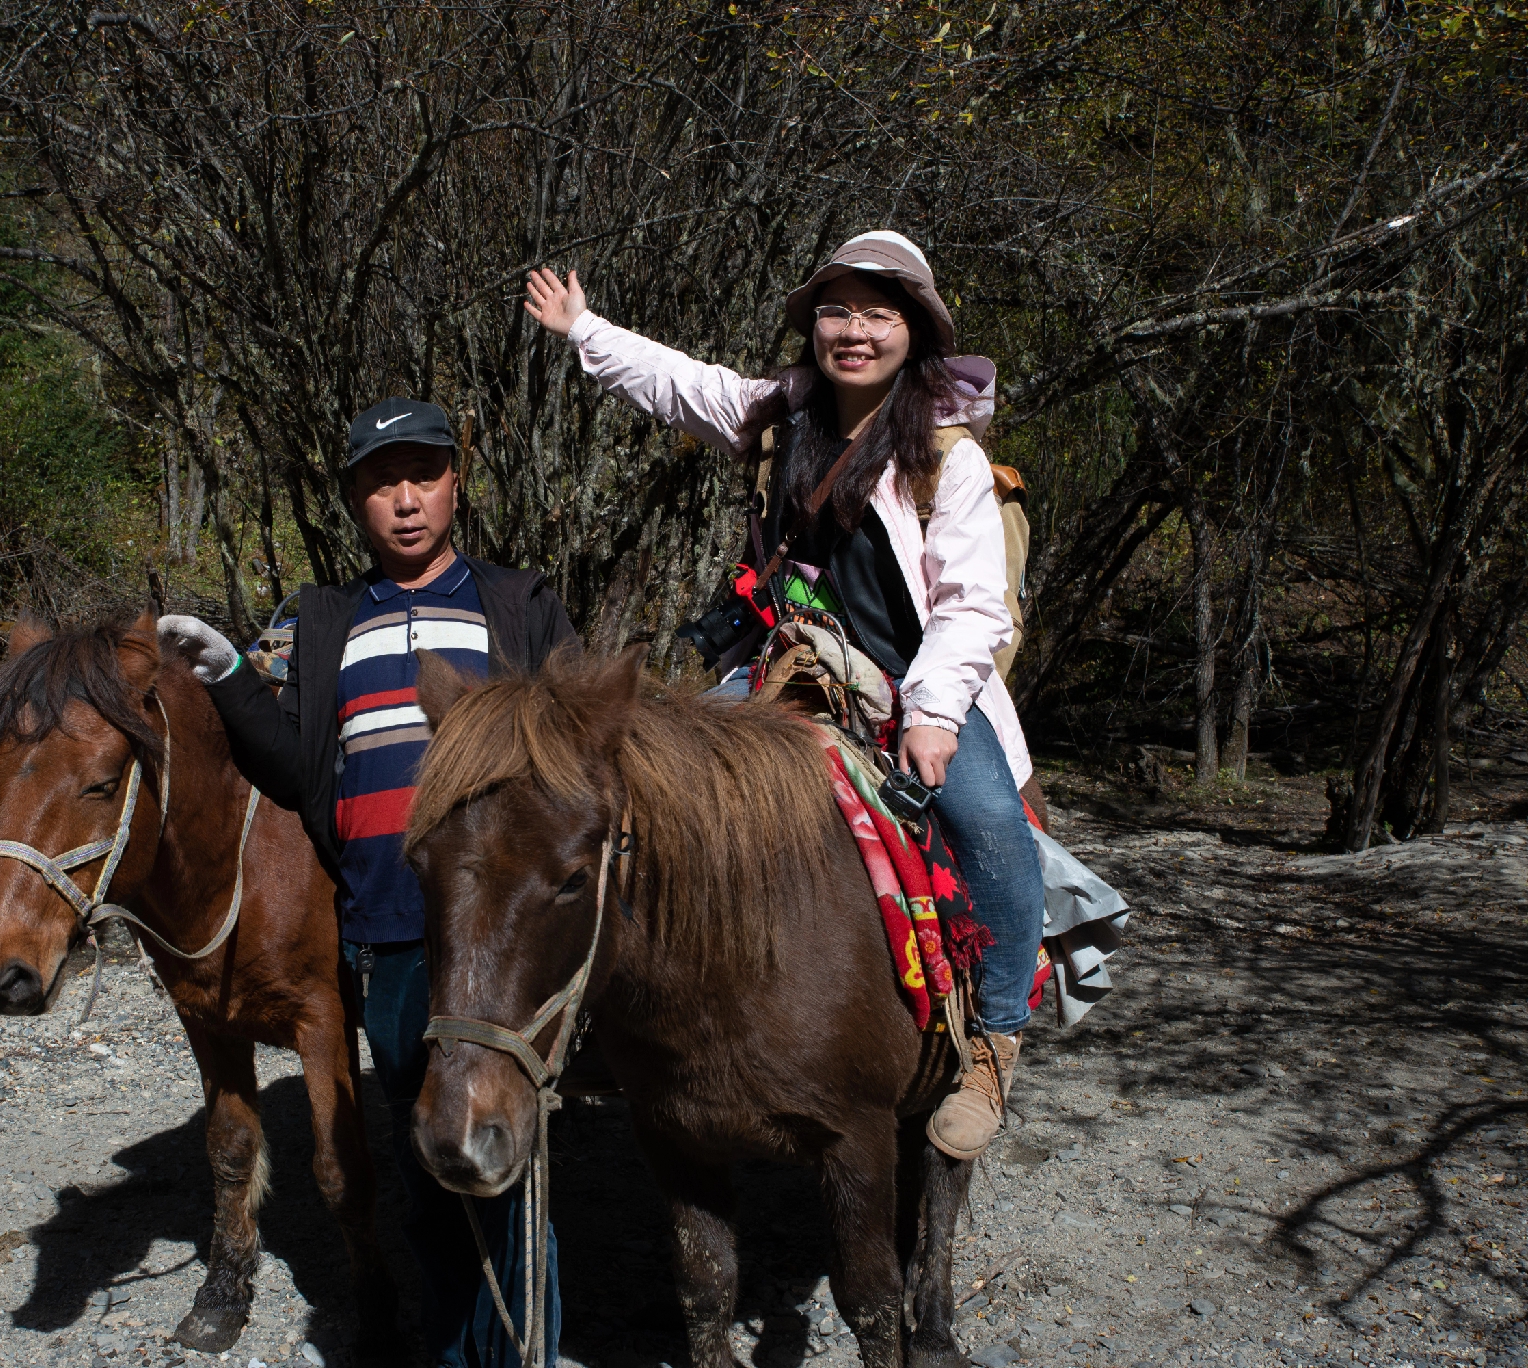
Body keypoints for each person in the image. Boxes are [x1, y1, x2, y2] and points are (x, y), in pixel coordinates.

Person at [523, 232, 1044, 1161]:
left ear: (914, 331)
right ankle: (640, 1009)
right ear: (814, 325)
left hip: (909, 687)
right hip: (785, 668)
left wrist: (931, 719)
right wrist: (581, 329)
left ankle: (995, 1043)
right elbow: (680, 383)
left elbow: (972, 608)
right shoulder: (780, 415)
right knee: (655, 790)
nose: (854, 331)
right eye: (837, 310)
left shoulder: (945, 459)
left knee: (993, 822)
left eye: (878, 314)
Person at [158, 398, 576, 1367]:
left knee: (508, 1156)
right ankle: (448, 1347)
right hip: (386, 929)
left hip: (495, 936)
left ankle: (522, 1352)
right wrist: (226, 672)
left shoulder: (515, 602)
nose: (403, 500)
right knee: (427, 1156)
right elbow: (297, 774)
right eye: (379, 482)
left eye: (421, 475)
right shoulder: (321, 619)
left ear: (454, 485)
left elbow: (571, 762)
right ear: (352, 500)